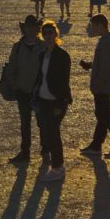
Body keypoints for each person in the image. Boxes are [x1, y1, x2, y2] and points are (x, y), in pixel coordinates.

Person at [79, 14, 110, 159]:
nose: (91, 29)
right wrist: (90, 65)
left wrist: (97, 84)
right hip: (105, 83)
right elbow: (103, 62)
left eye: (93, 26)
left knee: (105, 115)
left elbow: (105, 66)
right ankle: (96, 144)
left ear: (100, 25)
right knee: (102, 114)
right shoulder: (108, 40)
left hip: (103, 84)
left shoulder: (106, 42)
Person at [34, 20, 72, 182]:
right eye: (45, 33)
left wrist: (61, 103)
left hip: (57, 100)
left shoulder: (62, 55)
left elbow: (64, 81)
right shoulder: (42, 54)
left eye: (51, 33)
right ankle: (56, 165)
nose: (48, 36)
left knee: (53, 133)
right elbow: (40, 77)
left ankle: (58, 167)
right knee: (47, 133)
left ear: (56, 34)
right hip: (43, 100)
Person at [5, 14, 43, 163]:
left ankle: (45, 150)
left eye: (34, 27)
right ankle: (25, 152)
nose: (31, 30)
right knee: (25, 123)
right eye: (28, 27)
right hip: (22, 90)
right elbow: (12, 66)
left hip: (39, 91)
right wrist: (14, 84)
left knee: (42, 122)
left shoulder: (43, 45)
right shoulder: (18, 46)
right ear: (24, 29)